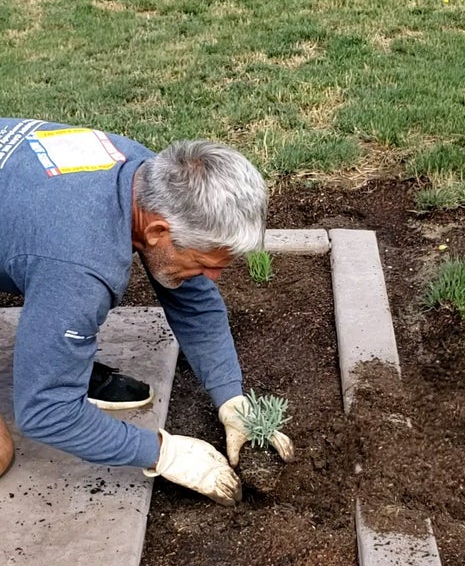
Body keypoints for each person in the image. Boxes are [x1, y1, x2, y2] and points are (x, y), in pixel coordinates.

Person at [0, 118, 294, 502]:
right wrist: (163, 453)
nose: (214, 277)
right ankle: (54, 358)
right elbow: (44, 412)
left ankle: (55, 353)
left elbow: (195, 301)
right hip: (56, 248)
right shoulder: (79, 265)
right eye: (206, 263)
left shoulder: (147, 173)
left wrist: (231, 398)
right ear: (157, 232)